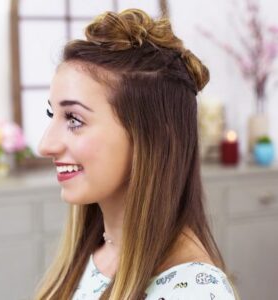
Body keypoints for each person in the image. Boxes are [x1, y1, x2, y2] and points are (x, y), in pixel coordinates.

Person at [34, 8, 238, 300]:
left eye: (74, 119)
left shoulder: (195, 291)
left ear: (152, 137)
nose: (45, 144)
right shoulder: (92, 256)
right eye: (52, 113)